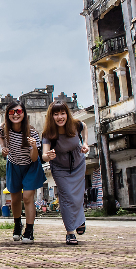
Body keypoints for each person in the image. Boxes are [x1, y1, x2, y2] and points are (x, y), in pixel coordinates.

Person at [42, 100, 89, 245]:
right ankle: (70, 232)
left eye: (62, 113)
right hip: (60, 168)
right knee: (67, 197)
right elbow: (43, 155)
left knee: (78, 196)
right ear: (51, 116)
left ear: (67, 114)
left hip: (78, 164)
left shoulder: (75, 125)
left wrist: (85, 143)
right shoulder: (48, 133)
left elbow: (85, 127)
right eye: (56, 114)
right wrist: (48, 156)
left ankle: (80, 220)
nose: (60, 117)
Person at [0, 100, 46, 243]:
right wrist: (3, 148)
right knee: (15, 199)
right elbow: (1, 139)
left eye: (19, 111)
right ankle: (17, 224)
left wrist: (33, 147)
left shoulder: (32, 132)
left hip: (30, 166)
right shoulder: (3, 128)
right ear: (8, 114)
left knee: (27, 197)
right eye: (12, 112)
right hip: (14, 165)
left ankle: (29, 230)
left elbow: (34, 158)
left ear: (24, 114)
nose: (15, 115)